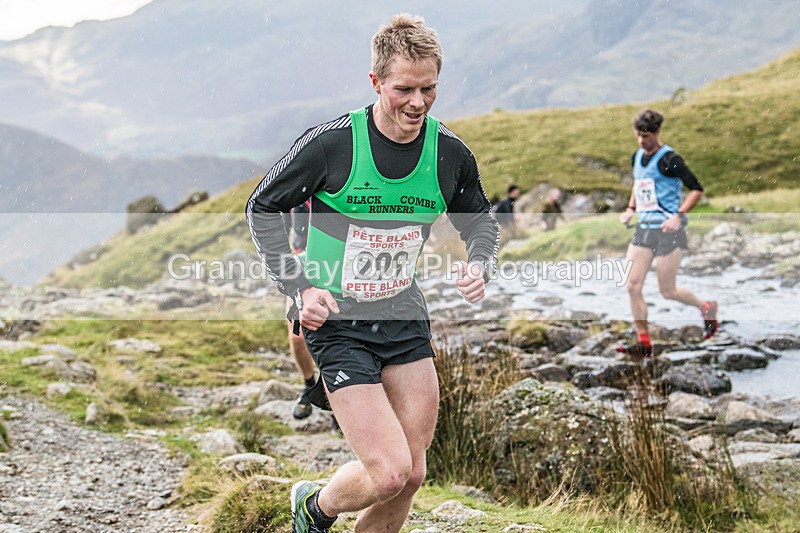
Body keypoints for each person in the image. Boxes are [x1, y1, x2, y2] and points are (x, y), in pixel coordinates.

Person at [246, 13, 499, 533]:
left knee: (413, 473)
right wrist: (298, 288)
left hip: (403, 317)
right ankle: (313, 508)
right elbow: (261, 208)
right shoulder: (331, 145)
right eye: (404, 88)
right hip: (337, 323)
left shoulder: (449, 153)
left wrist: (480, 264)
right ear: (376, 82)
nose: (418, 102)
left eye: (429, 89)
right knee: (387, 474)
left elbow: (482, 225)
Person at [618, 109, 718, 359]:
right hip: (644, 229)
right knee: (632, 285)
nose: (642, 141)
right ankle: (644, 342)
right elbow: (637, 183)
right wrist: (631, 208)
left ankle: (706, 307)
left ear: (657, 133)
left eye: (647, 136)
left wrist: (678, 215)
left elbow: (696, 189)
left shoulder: (670, 158)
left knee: (668, 291)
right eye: (639, 135)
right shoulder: (636, 156)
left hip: (668, 232)